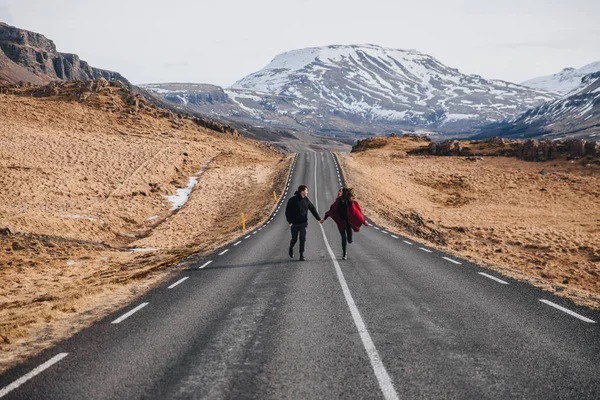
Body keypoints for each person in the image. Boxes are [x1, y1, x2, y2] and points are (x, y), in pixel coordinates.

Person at [322, 187, 368, 260]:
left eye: (340, 191)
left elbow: (358, 213)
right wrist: (324, 219)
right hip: (341, 222)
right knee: (343, 237)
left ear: (344, 193)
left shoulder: (351, 203)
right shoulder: (337, 201)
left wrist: (364, 221)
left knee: (349, 239)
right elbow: (331, 210)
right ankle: (344, 254)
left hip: (348, 222)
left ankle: (349, 240)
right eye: (338, 191)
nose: (338, 192)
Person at [285, 184, 324, 261]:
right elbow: (287, 212)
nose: (307, 192)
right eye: (306, 191)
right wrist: (290, 222)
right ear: (302, 191)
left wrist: (319, 219)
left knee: (302, 238)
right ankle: (291, 247)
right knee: (294, 239)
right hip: (294, 224)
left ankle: (301, 255)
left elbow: (312, 209)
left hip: (303, 223)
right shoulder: (292, 200)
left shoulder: (306, 200)